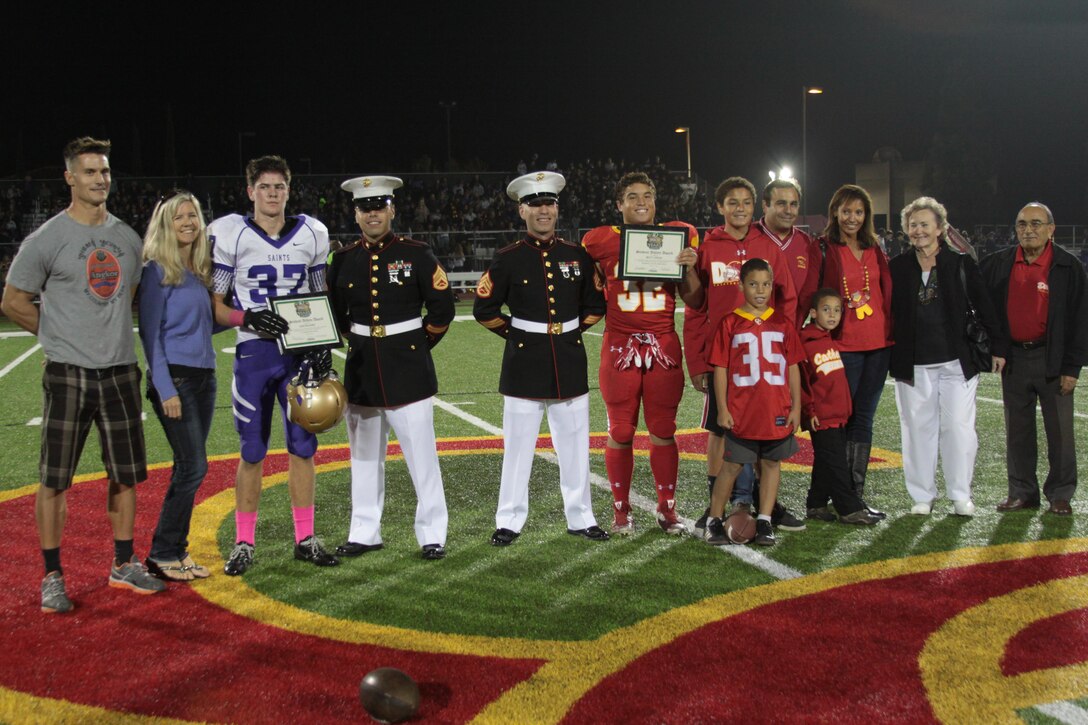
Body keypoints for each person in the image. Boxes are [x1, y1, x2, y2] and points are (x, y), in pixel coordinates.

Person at [2, 137, 165, 613]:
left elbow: (129, 292)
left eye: (105, 172)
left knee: (126, 474)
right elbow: (13, 300)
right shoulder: (47, 238)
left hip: (119, 370)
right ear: (70, 177)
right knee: (55, 479)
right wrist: (56, 336)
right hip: (68, 372)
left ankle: (122, 562)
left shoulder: (127, 238)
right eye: (90, 172)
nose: (100, 180)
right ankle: (52, 574)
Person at [209, 155, 339, 574]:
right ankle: (244, 541)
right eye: (264, 187)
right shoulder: (231, 233)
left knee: (303, 446)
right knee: (252, 450)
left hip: (298, 353)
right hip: (254, 352)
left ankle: (305, 536)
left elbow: (320, 295)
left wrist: (322, 344)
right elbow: (215, 306)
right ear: (250, 191)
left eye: (278, 187)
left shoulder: (312, 232)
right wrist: (246, 317)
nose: (272, 194)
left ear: (288, 189)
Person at [474, 171, 609, 545]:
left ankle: (581, 517)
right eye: (536, 205)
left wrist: (568, 334)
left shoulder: (576, 255)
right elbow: (485, 309)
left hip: (568, 360)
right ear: (522, 211)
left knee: (576, 447)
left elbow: (595, 305)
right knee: (517, 450)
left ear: (557, 208)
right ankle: (509, 520)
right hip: (523, 364)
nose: (544, 211)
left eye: (549, 204)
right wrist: (517, 335)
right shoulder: (507, 259)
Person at [328, 176, 455, 560]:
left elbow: (442, 309)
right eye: (365, 208)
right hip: (363, 368)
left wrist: (416, 347)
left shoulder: (417, 254)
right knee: (364, 458)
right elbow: (334, 316)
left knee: (421, 457)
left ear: (392, 210)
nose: (373, 214)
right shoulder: (344, 260)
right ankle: (365, 532)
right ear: (355, 213)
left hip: (409, 369)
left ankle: (432, 533)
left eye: (379, 207)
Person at [581, 172, 701, 535]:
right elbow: (588, 286)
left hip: (663, 341)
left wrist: (690, 267)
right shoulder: (599, 241)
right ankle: (621, 511)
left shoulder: (677, 236)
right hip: (620, 342)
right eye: (632, 196)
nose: (641, 202)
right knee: (620, 429)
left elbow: (695, 299)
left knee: (664, 428)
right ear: (619, 205)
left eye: (647, 195)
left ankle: (667, 508)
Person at [682, 176, 804, 535]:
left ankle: (768, 506)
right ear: (719, 207)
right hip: (725, 361)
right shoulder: (708, 247)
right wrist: (698, 361)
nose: (739, 208)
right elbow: (694, 308)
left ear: (755, 208)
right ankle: (714, 504)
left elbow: (789, 298)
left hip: (765, 361)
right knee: (721, 430)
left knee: (768, 431)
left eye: (746, 203)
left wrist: (784, 346)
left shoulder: (768, 247)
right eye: (731, 202)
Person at [889, 197, 1006, 516]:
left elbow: (984, 305)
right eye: (912, 225)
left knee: (959, 429)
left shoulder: (962, 263)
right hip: (912, 363)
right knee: (916, 430)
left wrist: (998, 346)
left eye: (925, 224)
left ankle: (960, 494)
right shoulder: (897, 267)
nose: (918, 230)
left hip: (957, 360)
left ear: (940, 228)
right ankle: (922, 496)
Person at [981, 202, 1088, 516]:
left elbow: (1081, 321)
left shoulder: (1068, 266)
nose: (1029, 229)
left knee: (1061, 433)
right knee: (1018, 431)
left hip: (1052, 359)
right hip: (1014, 358)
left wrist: (1072, 367)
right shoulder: (998, 263)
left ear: (1051, 229)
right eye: (1022, 224)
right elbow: (982, 307)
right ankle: (1022, 492)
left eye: (1036, 223)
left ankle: (1060, 494)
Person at [138, 192, 218, 580]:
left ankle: (176, 550)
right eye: (180, 217)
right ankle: (162, 552)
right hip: (177, 379)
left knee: (190, 469)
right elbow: (149, 334)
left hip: (205, 377)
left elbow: (209, 324)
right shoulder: (156, 269)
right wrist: (165, 387)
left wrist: (252, 316)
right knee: (193, 466)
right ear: (166, 225)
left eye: (193, 215)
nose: (188, 222)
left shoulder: (200, 268)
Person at [702, 259, 804, 547]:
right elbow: (720, 368)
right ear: (741, 285)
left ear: (773, 285)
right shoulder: (730, 323)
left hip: (777, 408)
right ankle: (713, 520)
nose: (760, 290)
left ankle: (765, 520)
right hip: (743, 410)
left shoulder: (783, 322)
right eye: (753, 283)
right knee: (732, 466)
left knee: (772, 462)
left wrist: (796, 407)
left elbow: (793, 366)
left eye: (766, 284)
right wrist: (722, 408)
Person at [817, 184, 892, 518]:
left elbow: (886, 291)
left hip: (879, 346)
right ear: (835, 212)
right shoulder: (825, 248)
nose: (852, 218)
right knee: (840, 421)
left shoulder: (874, 246)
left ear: (866, 216)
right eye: (846, 211)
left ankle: (855, 496)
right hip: (844, 345)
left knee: (864, 419)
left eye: (858, 212)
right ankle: (834, 495)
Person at [800, 289, 880, 525]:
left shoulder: (827, 339)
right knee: (836, 463)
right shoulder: (807, 342)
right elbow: (802, 382)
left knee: (826, 462)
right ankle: (848, 508)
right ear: (814, 313)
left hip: (836, 415)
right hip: (822, 416)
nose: (832, 315)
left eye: (837, 310)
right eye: (826, 310)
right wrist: (809, 411)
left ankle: (816, 504)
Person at [755, 178, 821, 328]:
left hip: (792, 335)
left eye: (793, 204)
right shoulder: (747, 238)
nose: (788, 211)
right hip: (752, 339)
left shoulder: (807, 243)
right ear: (765, 206)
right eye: (781, 203)